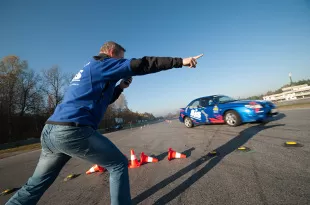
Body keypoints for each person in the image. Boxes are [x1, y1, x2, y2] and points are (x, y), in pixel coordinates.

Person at [6, 41, 203, 205]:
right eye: (120, 58)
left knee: (36, 184)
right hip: (72, 131)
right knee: (118, 164)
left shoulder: (89, 68)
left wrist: (120, 87)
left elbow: (102, 99)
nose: (121, 63)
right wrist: (181, 62)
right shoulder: (103, 63)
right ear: (111, 52)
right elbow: (141, 64)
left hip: (51, 131)